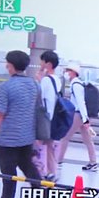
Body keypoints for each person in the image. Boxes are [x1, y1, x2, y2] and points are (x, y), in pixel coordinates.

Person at [0, 50, 41, 198]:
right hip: (27, 137)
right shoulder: (34, 85)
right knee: (29, 168)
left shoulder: (6, 87)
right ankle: (42, 197)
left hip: (8, 139)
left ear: (11, 66)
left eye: (7, 63)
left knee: (8, 171)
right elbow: (36, 109)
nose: (6, 66)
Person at [57, 62, 98, 172]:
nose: (66, 73)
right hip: (81, 115)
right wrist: (85, 119)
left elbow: (81, 102)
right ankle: (93, 162)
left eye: (67, 71)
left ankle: (58, 160)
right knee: (87, 139)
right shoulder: (77, 84)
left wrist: (85, 120)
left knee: (65, 137)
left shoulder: (76, 85)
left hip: (78, 115)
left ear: (73, 72)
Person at [38, 50, 61, 181]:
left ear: (48, 64)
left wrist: (39, 78)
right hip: (53, 119)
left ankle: (38, 172)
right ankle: (52, 173)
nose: (40, 63)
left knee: (36, 146)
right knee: (50, 147)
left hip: (44, 119)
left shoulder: (46, 80)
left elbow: (40, 98)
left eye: (42, 61)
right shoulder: (57, 79)